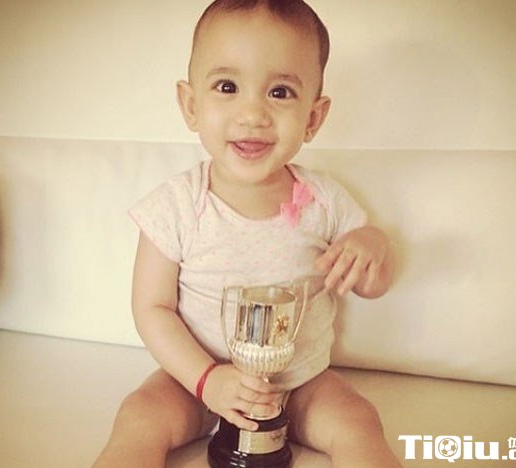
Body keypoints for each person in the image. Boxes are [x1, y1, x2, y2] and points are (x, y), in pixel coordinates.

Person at [94, 1, 401, 467]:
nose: (253, 112)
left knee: (358, 419)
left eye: (279, 92)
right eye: (227, 87)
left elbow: (372, 284)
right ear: (191, 106)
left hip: (298, 385)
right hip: (197, 382)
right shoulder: (176, 205)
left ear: (313, 118)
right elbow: (152, 308)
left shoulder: (326, 201)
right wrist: (206, 380)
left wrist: (374, 245)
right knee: (139, 415)